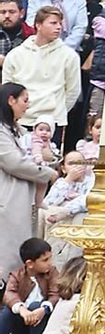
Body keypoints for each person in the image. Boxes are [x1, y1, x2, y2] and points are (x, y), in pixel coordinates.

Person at [0, 81, 53, 281]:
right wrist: (47, 174)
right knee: (7, 256)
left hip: (23, 199)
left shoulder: (20, 130)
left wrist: (48, 159)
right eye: (25, 100)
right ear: (10, 100)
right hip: (7, 199)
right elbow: (14, 163)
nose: (28, 105)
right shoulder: (1, 131)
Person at [5, 6, 81, 139]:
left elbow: (73, 91)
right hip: (21, 120)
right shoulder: (16, 54)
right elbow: (7, 88)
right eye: (53, 23)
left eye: (60, 23)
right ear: (38, 25)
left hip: (52, 121)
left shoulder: (70, 56)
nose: (58, 27)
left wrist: (58, 111)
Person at [0, 233, 61, 334]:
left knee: (35, 306)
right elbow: (9, 294)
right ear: (30, 264)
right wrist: (22, 309)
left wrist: (44, 309)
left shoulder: (52, 273)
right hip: (22, 324)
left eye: (50, 258)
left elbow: (55, 294)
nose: (50, 263)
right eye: (45, 260)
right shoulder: (16, 275)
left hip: (43, 324)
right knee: (7, 311)